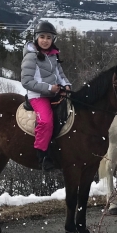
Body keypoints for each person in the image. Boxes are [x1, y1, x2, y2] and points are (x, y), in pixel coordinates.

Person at [21, 21, 72, 171]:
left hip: (53, 92)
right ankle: (42, 155)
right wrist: (50, 88)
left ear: (53, 40)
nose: (45, 40)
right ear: (36, 38)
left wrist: (67, 85)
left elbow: (60, 75)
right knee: (46, 121)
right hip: (37, 95)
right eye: (42, 36)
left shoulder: (53, 55)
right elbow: (26, 81)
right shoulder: (31, 57)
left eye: (48, 37)